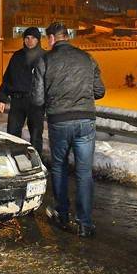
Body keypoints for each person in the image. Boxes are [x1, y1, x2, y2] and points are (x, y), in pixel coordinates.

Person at [31, 21, 105, 237]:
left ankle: (62, 214)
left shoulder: (45, 60)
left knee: (59, 167)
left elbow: (37, 99)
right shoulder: (87, 58)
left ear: (52, 38)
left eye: (48, 39)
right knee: (84, 172)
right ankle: (85, 223)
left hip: (60, 121)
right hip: (85, 121)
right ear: (67, 36)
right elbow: (99, 91)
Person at [0, 26, 44, 152]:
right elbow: (8, 78)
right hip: (17, 101)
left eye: (33, 38)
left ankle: (36, 161)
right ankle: (14, 159)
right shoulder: (17, 57)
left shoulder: (44, 57)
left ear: (38, 40)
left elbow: (50, 81)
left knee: (36, 136)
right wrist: (2, 98)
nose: (30, 41)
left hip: (36, 103)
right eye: (27, 38)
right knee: (12, 135)